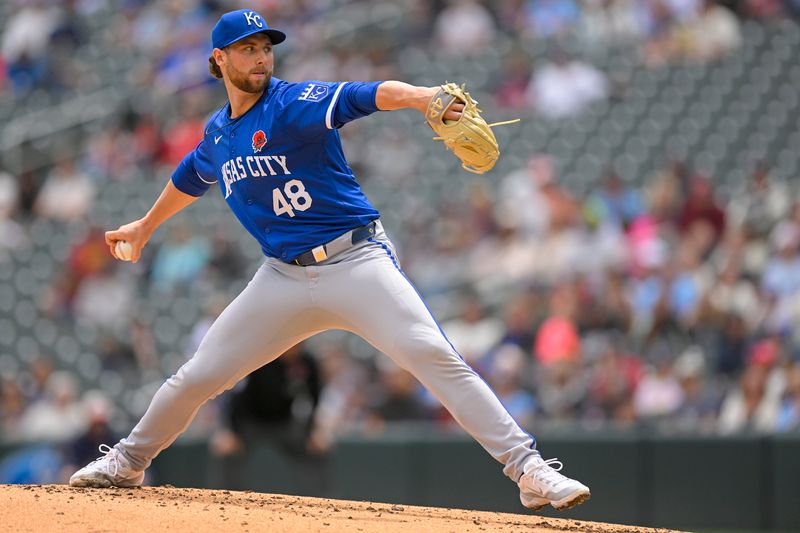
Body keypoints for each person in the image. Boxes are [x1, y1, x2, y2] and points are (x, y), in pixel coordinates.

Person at [68, 9, 590, 511]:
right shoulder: (218, 133)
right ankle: (129, 461)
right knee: (199, 375)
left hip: (356, 260)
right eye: (247, 49)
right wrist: (145, 225)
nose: (260, 58)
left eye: (265, 48)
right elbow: (189, 176)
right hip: (281, 277)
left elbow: (368, 95)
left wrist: (423, 97)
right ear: (218, 60)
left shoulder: (293, 102)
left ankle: (529, 470)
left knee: (432, 354)